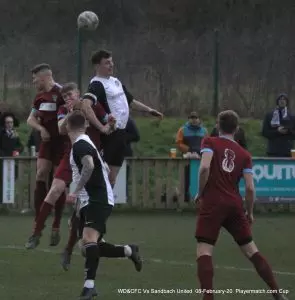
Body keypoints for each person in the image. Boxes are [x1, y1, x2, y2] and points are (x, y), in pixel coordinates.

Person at [194, 110, 288, 300]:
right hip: (234, 205)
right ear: (236, 129)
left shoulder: (209, 142)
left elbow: (204, 167)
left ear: (217, 126)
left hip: (213, 202)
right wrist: (250, 212)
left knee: (204, 250)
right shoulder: (244, 154)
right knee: (251, 250)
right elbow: (250, 188)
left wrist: (200, 192)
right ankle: (278, 294)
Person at [25, 82, 111, 249]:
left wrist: (111, 122)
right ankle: (36, 233)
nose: (68, 99)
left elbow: (108, 122)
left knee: (88, 203)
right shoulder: (64, 110)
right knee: (55, 189)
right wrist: (71, 114)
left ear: (78, 93)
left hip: (93, 156)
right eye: (64, 97)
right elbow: (61, 129)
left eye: (70, 95)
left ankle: (89, 237)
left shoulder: (92, 106)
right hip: (71, 155)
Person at [66, 111, 140, 299]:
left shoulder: (80, 144)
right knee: (88, 247)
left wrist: (75, 191)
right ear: (84, 126)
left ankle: (89, 287)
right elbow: (104, 167)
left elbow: (89, 166)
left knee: (89, 240)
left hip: (96, 199)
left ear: (68, 126)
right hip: (90, 199)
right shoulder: (86, 142)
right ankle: (129, 250)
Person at [82, 49, 163, 188]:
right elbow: (85, 106)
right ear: (97, 66)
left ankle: (105, 206)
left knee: (112, 178)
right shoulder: (96, 84)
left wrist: (149, 110)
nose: (111, 65)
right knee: (103, 177)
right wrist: (101, 127)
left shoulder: (115, 81)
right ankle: (91, 204)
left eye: (111, 61)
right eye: (107, 63)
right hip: (111, 134)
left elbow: (130, 101)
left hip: (122, 133)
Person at [26, 63, 66, 244]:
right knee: (41, 173)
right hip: (47, 143)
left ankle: (56, 225)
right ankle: (38, 223)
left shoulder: (62, 93)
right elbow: (30, 119)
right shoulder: (39, 98)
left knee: (58, 184)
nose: (34, 82)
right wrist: (41, 129)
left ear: (44, 77)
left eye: (35, 79)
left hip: (63, 144)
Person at [176, 112, 207, 201]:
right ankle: (185, 198)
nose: (194, 120)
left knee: (200, 177)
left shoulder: (204, 131)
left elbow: (207, 143)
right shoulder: (182, 130)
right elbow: (179, 143)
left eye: (195, 118)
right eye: (191, 118)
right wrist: (189, 150)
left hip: (200, 159)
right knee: (185, 178)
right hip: (187, 158)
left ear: (199, 119)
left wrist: (201, 152)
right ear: (188, 119)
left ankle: (200, 198)